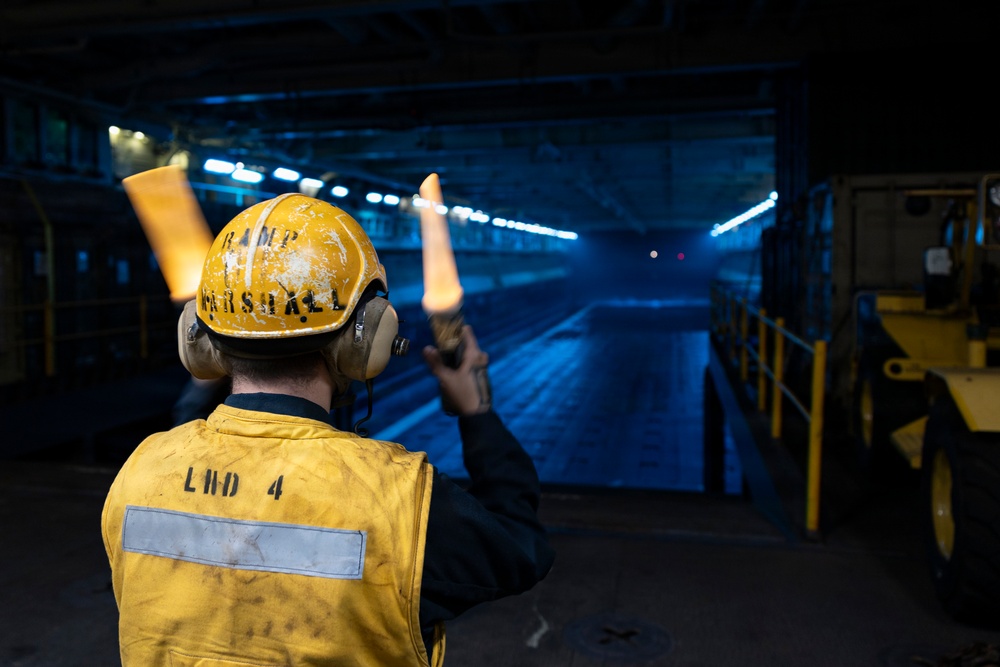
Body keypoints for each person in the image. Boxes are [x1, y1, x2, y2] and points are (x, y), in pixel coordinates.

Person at [102, 193, 554, 666]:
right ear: (367, 339)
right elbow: (520, 548)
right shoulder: (398, 499)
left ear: (200, 339)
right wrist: (477, 414)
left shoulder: (140, 472)